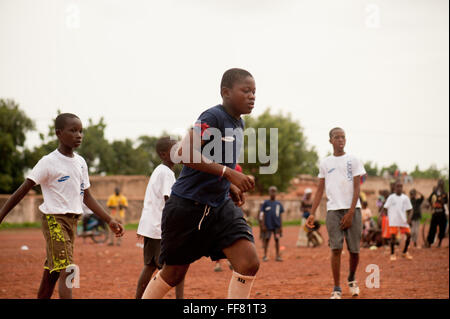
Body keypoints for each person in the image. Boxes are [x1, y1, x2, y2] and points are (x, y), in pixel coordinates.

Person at [141, 68, 259, 299]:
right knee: (173, 274)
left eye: (254, 91)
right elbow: (185, 153)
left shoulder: (239, 124)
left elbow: (218, 160)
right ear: (226, 92)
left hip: (219, 206)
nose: (252, 96)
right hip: (187, 208)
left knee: (249, 262)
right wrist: (228, 173)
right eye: (245, 91)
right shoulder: (211, 117)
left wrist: (230, 185)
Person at [0, 113, 124, 299]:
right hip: (54, 221)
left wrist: (109, 219)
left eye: (81, 131)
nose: (79, 135)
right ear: (59, 133)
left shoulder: (81, 163)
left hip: (73, 222)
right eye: (73, 130)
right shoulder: (48, 162)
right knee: (68, 269)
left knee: (53, 272)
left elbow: (87, 197)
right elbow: (22, 190)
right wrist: (1, 215)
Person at [306, 127, 366, 299]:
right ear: (330, 140)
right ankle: (337, 288)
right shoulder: (325, 163)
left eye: (343, 137)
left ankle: (352, 278)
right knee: (336, 249)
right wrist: (312, 213)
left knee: (354, 250)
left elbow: (357, 187)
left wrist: (350, 213)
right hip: (333, 211)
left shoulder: (353, 160)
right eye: (337, 137)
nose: (341, 140)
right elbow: (319, 190)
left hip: (353, 210)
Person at [135, 137, 185, 299]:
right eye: (174, 149)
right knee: (177, 265)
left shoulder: (159, 170)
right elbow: (169, 201)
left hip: (151, 225)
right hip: (159, 227)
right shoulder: (167, 173)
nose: (178, 152)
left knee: (150, 265)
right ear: (164, 155)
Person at [382, 182, 413, 260]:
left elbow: (410, 210)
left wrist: (409, 218)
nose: (399, 188)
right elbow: (385, 208)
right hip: (393, 221)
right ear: (395, 188)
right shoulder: (391, 197)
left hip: (403, 220)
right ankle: (392, 254)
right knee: (393, 237)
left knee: (409, 235)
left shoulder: (405, 198)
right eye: (397, 187)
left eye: (400, 186)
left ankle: (405, 252)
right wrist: (388, 217)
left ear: (402, 188)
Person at [259, 186, 284, 262]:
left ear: (276, 193)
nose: (273, 193)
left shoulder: (278, 204)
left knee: (277, 239)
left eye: (274, 191)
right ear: (269, 193)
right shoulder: (265, 203)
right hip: (268, 226)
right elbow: (262, 214)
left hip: (276, 226)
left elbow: (280, 215)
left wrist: (281, 226)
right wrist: (263, 225)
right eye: (271, 191)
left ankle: (278, 256)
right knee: (267, 239)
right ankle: (265, 255)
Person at [425, 179, 448, 248]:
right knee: (432, 229)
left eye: (442, 184)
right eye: (439, 184)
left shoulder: (444, 194)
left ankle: (439, 244)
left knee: (442, 229)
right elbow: (429, 200)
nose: (440, 185)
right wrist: (430, 205)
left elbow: (446, 202)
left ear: (443, 185)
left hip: (442, 214)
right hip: (435, 214)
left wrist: (442, 200)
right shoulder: (434, 193)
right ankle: (429, 243)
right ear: (438, 185)